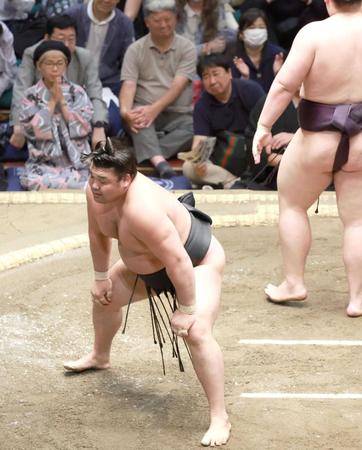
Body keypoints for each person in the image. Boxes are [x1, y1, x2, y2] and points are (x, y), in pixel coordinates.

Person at [253, 0, 362, 317]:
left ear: (328, 1)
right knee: (359, 221)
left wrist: (264, 126)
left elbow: (285, 85)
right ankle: (358, 299)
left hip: (316, 140)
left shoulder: (313, 33)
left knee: (291, 204)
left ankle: (293, 282)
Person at [63, 139, 231, 447]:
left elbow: (178, 260)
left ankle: (219, 416)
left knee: (196, 333)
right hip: (148, 270)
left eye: (103, 181)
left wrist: (187, 308)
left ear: (126, 180)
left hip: (195, 264)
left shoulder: (143, 210)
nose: (94, 186)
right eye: (91, 177)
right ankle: (100, 356)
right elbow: (96, 234)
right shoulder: (95, 194)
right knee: (106, 296)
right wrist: (101, 277)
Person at [120, 0, 196, 178]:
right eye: (157, 20)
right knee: (138, 119)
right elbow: (129, 83)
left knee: (197, 128)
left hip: (178, 114)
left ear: (176, 19)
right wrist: (125, 112)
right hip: (143, 109)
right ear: (147, 22)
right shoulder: (135, 49)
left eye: (168, 19)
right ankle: (160, 163)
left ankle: (142, 151)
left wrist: (155, 109)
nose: (163, 25)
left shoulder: (187, 48)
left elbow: (178, 85)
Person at [10, 14, 107, 151]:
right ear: (46, 38)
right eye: (61, 39)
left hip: (71, 112)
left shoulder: (85, 57)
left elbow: (95, 92)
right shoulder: (32, 54)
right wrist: (18, 125)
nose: (66, 45)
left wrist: (99, 126)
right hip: (42, 111)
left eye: (71, 39)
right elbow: (21, 90)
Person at [182, 53, 264, 188]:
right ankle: (233, 183)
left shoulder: (250, 90)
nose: (212, 81)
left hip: (253, 152)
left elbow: (268, 123)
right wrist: (198, 161)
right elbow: (200, 140)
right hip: (223, 160)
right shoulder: (202, 104)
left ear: (229, 73)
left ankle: (232, 184)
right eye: (206, 76)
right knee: (188, 167)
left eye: (216, 74)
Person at [19, 40, 93, 190]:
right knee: (33, 182)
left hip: (76, 162)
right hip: (44, 163)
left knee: (93, 182)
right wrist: (52, 102)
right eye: (49, 64)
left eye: (59, 63)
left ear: (66, 66)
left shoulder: (76, 92)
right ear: (39, 66)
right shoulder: (30, 95)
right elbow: (30, 130)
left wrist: (63, 104)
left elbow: (84, 127)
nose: (55, 68)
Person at [232, 8, 284, 92]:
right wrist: (244, 78)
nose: (257, 31)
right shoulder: (234, 59)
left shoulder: (278, 55)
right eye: (252, 28)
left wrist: (279, 75)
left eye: (261, 27)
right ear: (241, 34)